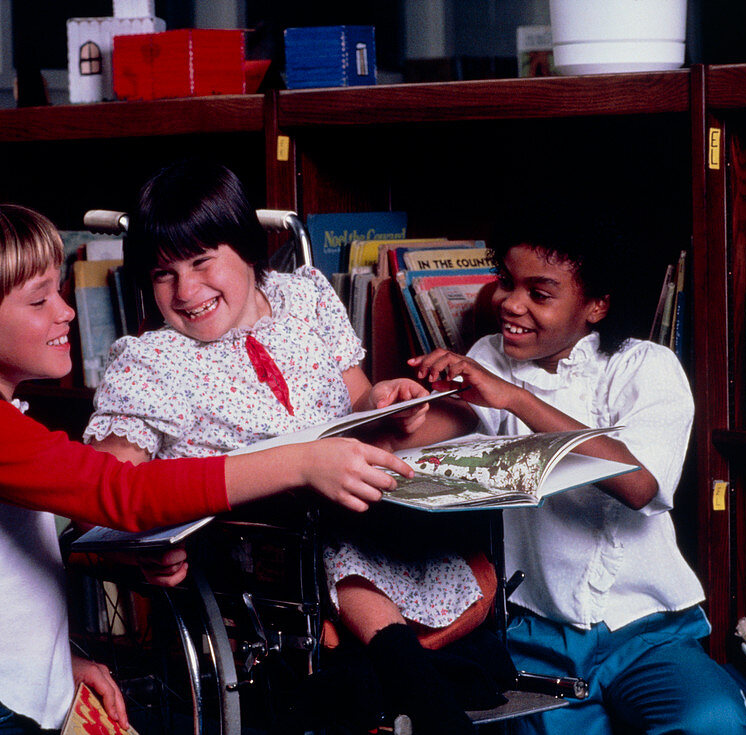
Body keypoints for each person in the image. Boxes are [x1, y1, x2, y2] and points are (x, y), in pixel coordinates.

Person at [0, 203, 415, 735]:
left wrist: (59, 656)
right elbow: (122, 493)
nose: (65, 312)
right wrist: (297, 462)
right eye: (40, 300)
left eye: (60, 291)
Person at [84, 159, 501, 733]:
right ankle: (427, 699)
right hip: (257, 550)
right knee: (328, 535)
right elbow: (105, 485)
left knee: (429, 498)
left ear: (249, 250)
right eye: (163, 275)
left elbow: (355, 404)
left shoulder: (305, 299)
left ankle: (414, 673)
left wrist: (386, 401)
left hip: (361, 507)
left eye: (202, 263)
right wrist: (144, 541)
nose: (186, 292)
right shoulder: (151, 362)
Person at [403, 210, 746, 735]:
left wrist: (516, 398)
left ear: (596, 305)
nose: (510, 303)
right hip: (534, 634)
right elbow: (434, 428)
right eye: (506, 281)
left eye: (540, 293)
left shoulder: (646, 367)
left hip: (648, 632)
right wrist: (390, 403)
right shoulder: (489, 357)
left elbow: (639, 485)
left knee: (710, 720)